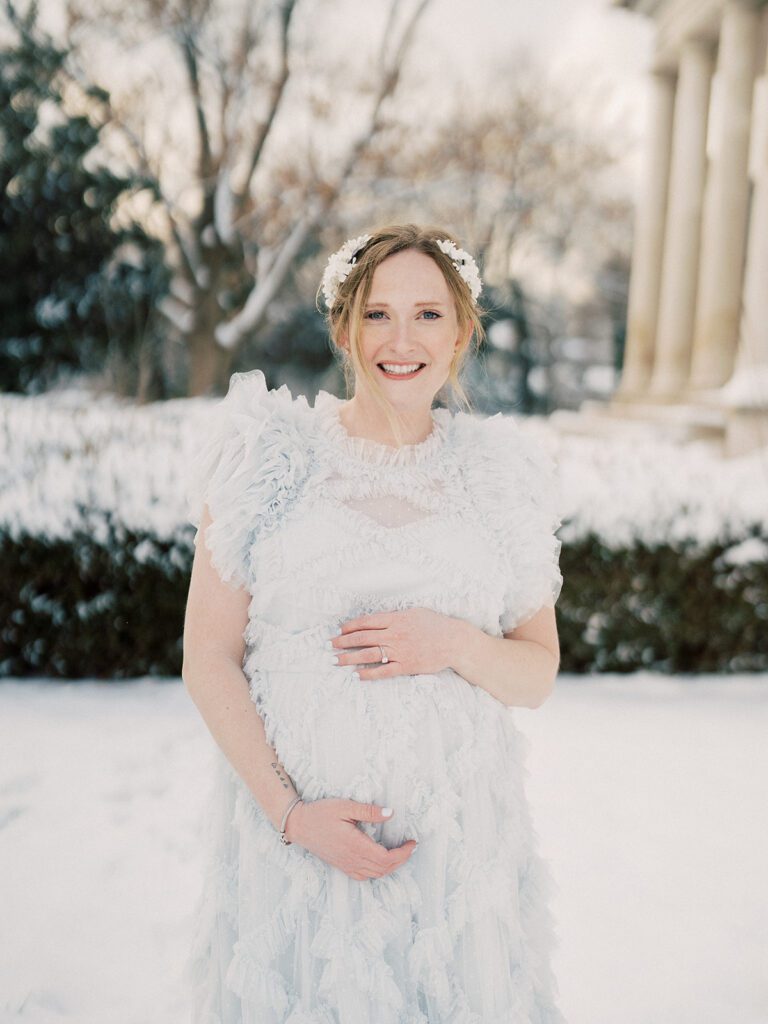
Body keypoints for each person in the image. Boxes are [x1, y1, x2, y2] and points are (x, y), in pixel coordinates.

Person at [182, 223, 566, 1023]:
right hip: (297, 851)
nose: (402, 339)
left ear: (461, 331)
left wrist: (455, 642)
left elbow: (536, 672)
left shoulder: (501, 477)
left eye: (428, 315)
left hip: (454, 861)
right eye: (378, 313)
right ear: (344, 327)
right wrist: (292, 816)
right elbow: (208, 657)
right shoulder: (265, 457)